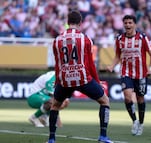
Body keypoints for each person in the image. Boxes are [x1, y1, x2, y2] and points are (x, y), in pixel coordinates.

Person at [47, 10, 112, 143]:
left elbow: (58, 63)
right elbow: (90, 64)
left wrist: (58, 81)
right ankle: (103, 136)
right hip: (83, 78)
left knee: (55, 106)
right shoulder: (85, 39)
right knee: (104, 101)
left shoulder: (57, 40)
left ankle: (52, 139)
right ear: (80, 23)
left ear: (67, 22)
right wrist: (97, 81)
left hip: (65, 80)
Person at [107, 15, 151, 136]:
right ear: (123, 24)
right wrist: (112, 66)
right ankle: (135, 121)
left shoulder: (142, 38)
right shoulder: (119, 39)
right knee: (127, 97)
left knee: (140, 99)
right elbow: (118, 56)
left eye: (130, 23)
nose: (128, 25)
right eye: (126, 23)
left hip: (141, 73)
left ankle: (141, 123)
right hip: (126, 72)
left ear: (134, 24)